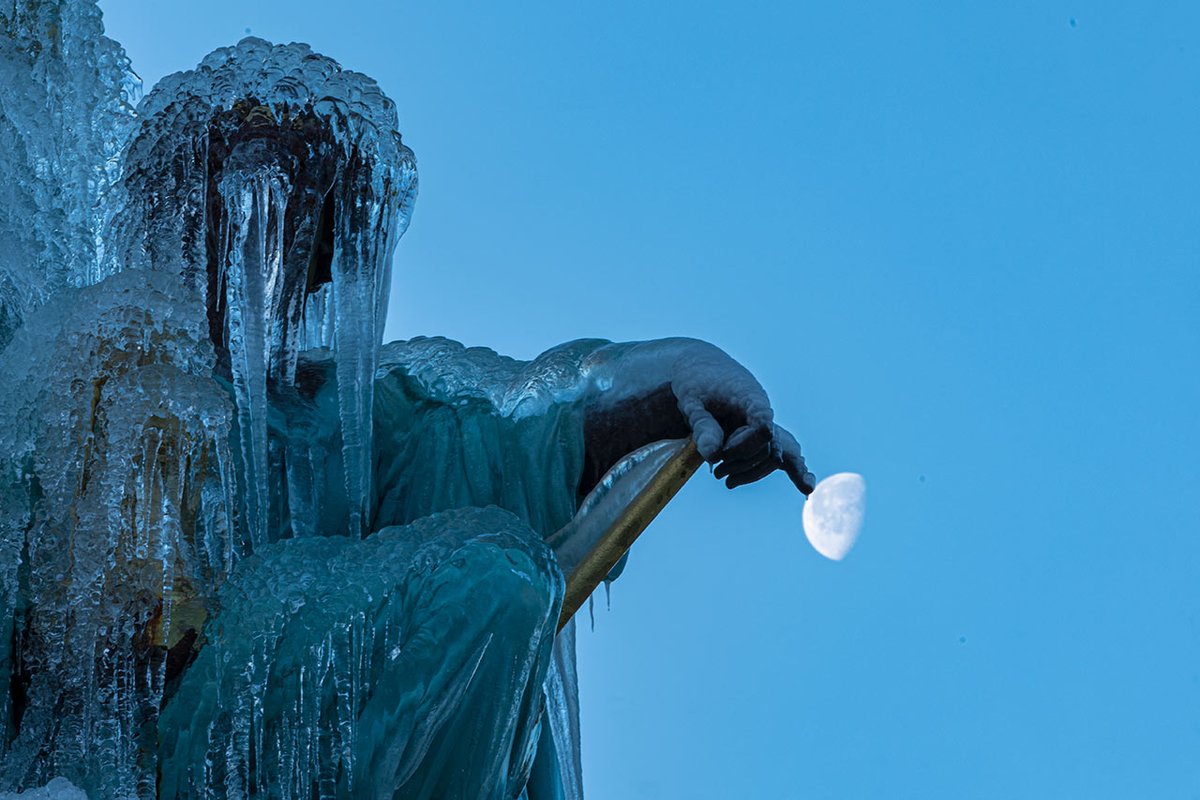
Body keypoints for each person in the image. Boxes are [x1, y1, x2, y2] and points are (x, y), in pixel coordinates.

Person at [0, 36, 812, 799]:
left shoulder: (369, 415)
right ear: (184, 211)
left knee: (500, 580)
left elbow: (529, 450)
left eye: (312, 219)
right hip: (170, 744)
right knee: (495, 580)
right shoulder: (121, 356)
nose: (283, 240)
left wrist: (672, 383)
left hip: (300, 711)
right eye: (252, 197)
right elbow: (106, 635)